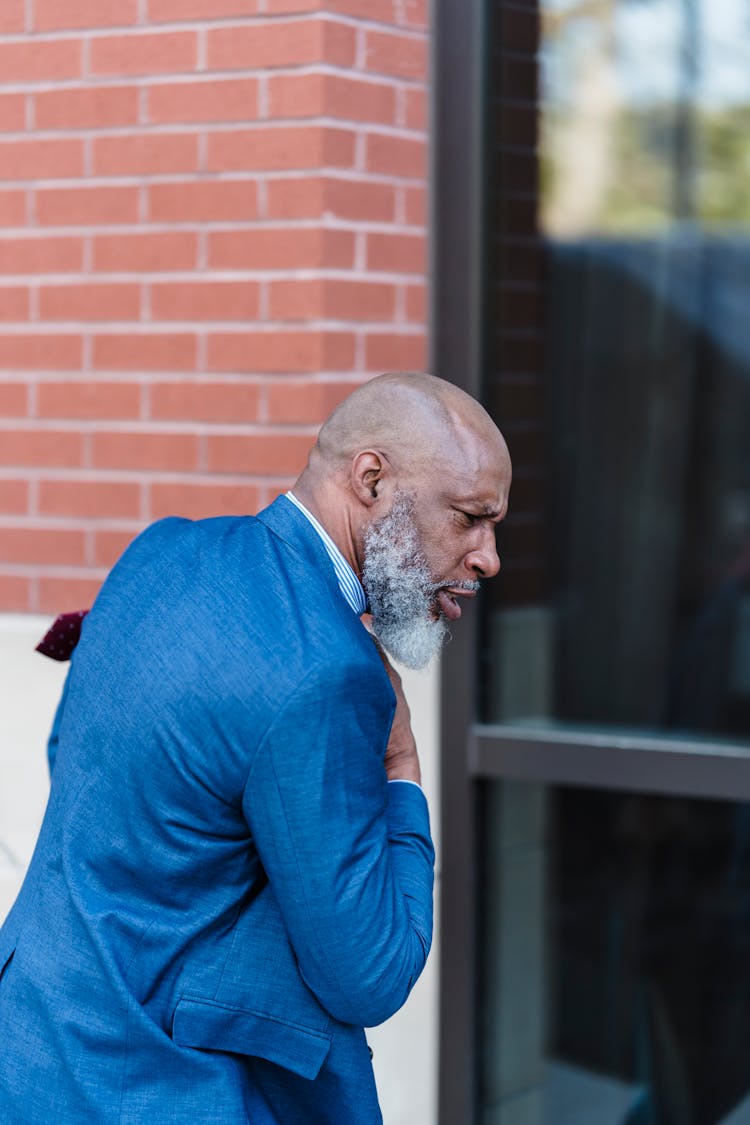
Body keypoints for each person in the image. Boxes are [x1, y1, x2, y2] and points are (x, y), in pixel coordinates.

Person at [0, 372, 511, 1124]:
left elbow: (73, 755)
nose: (488, 556)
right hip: (154, 1090)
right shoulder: (328, 673)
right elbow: (370, 972)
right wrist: (402, 767)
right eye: (469, 518)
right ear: (371, 478)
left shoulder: (163, 547)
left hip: (27, 1039)